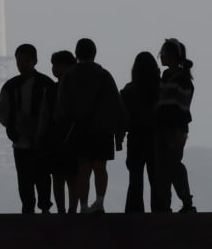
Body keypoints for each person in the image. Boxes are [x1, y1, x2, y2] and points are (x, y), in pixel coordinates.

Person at [55, 38, 128, 214]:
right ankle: (100, 201)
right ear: (94, 54)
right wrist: (120, 128)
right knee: (100, 168)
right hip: (103, 129)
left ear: (76, 54)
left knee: (83, 169)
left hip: (79, 129)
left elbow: (62, 106)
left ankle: (83, 205)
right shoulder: (104, 75)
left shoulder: (70, 76)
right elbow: (116, 103)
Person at [0, 43, 55, 214]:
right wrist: (13, 126)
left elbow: (0, 111)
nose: (20, 64)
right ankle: (31, 207)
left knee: (41, 176)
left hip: (40, 140)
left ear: (34, 60)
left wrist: (13, 124)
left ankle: (41, 207)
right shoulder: (44, 84)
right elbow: (0, 111)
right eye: (18, 60)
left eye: (24, 60)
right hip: (22, 141)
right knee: (26, 179)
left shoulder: (17, 85)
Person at [155, 38, 196, 213]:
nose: (161, 56)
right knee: (165, 167)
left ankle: (186, 201)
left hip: (174, 129)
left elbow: (182, 108)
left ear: (171, 55)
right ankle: (166, 204)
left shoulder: (182, 79)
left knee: (172, 166)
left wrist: (180, 131)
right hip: (164, 128)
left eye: (163, 53)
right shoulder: (167, 77)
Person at [118, 52, 159, 213]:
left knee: (135, 178)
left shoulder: (128, 90)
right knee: (156, 179)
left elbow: (122, 116)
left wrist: (119, 136)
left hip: (135, 138)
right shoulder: (161, 88)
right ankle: (159, 210)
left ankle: (134, 213)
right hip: (156, 138)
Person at [39, 50, 78, 213]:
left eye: (57, 65)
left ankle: (63, 209)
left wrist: (41, 136)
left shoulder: (52, 89)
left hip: (57, 138)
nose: (54, 69)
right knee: (69, 177)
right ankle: (71, 209)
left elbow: (45, 115)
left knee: (60, 178)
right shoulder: (75, 88)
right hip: (69, 137)